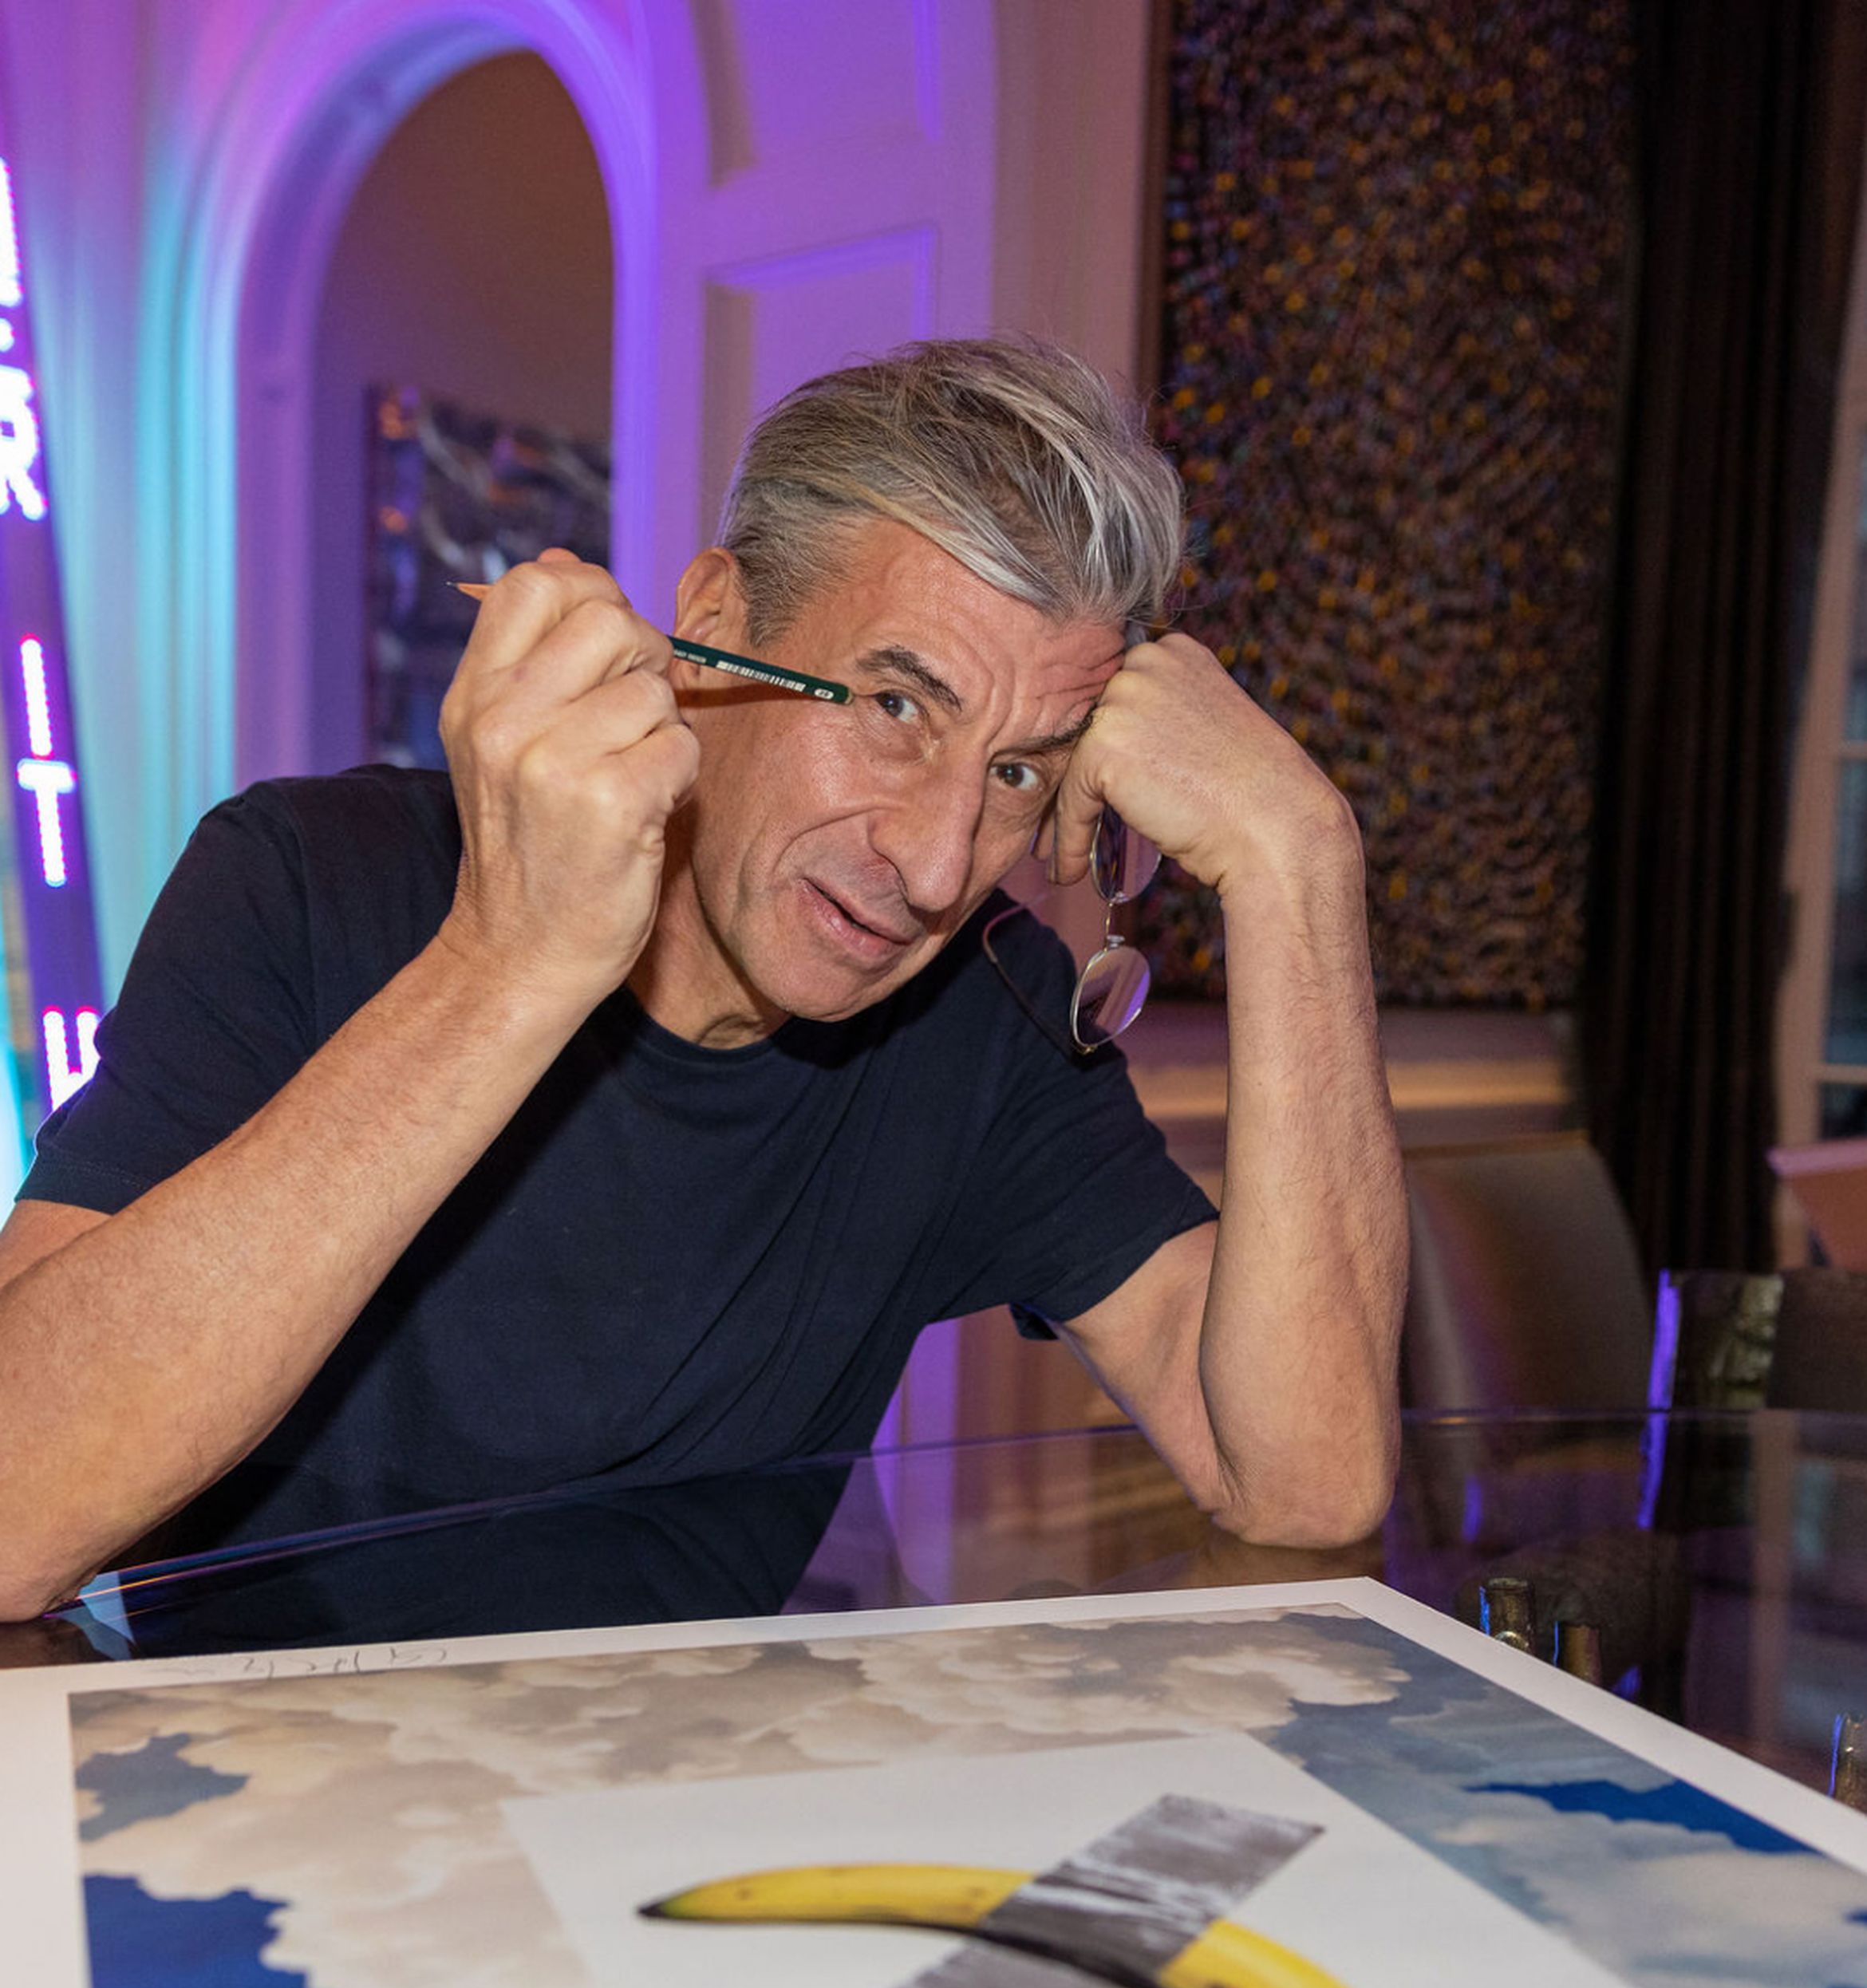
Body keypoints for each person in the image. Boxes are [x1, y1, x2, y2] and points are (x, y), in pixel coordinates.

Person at [0, 338, 1405, 1620]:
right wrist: (510, 964)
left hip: (686, 1794)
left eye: (1020, 773)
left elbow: (1309, 1485)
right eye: (896, 706)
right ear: (716, 622)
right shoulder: (307, 880)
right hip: (263, 1786)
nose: (934, 865)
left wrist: (1300, 863)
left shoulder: (981, 1017)